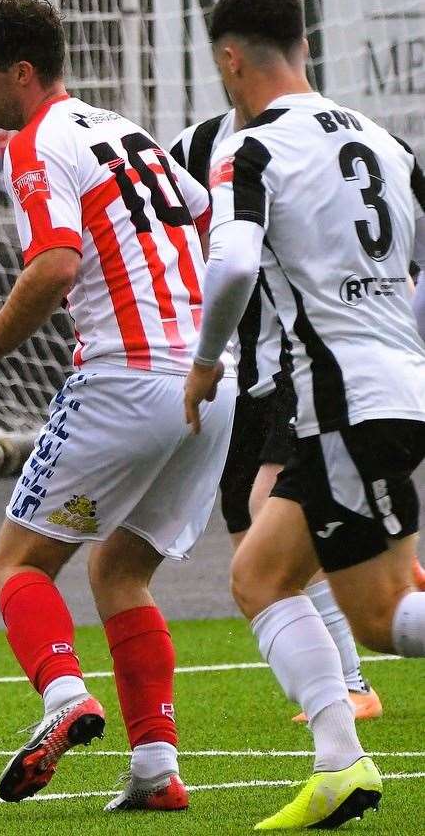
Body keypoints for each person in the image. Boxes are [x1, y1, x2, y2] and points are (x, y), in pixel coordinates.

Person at [0, 0, 234, 811]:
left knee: (18, 562)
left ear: (20, 73)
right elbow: (210, 221)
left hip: (126, 378)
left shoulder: (37, 143)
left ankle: (64, 699)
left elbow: (55, 266)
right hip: (209, 385)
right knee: (120, 569)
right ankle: (154, 770)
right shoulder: (124, 131)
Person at [183, 0, 425, 830]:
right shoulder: (386, 143)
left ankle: (340, 759)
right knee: (258, 576)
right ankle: (338, 765)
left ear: (228, 58)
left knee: (385, 619)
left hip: (340, 402)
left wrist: (206, 361)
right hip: (387, 390)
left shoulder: (247, 150)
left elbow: (234, 267)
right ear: (303, 47)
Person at [169, 112, 384, 723]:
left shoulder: (321, 141)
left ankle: (350, 686)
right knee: (248, 529)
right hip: (248, 372)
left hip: (309, 359)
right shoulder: (195, 146)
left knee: (272, 511)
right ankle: (338, 685)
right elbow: (164, 214)